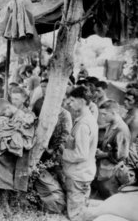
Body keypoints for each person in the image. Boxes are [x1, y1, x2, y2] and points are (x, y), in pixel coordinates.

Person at [61, 86, 98, 221]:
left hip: (78, 175)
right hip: (84, 173)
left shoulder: (83, 124)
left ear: (81, 101)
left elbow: (81, 154)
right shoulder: (89, 119)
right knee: (82, 211)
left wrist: (63, 153)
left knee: (75, 216)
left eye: (72, 100)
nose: (69, 103)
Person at [96, 100, 131, 198]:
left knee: (110, 197)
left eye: (104, 114)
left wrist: (103, 154)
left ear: (113, 113)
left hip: (112, 173)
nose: (102, 117)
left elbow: (121, 156)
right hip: (104, 170)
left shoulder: (121, 130)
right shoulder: (110, 124)